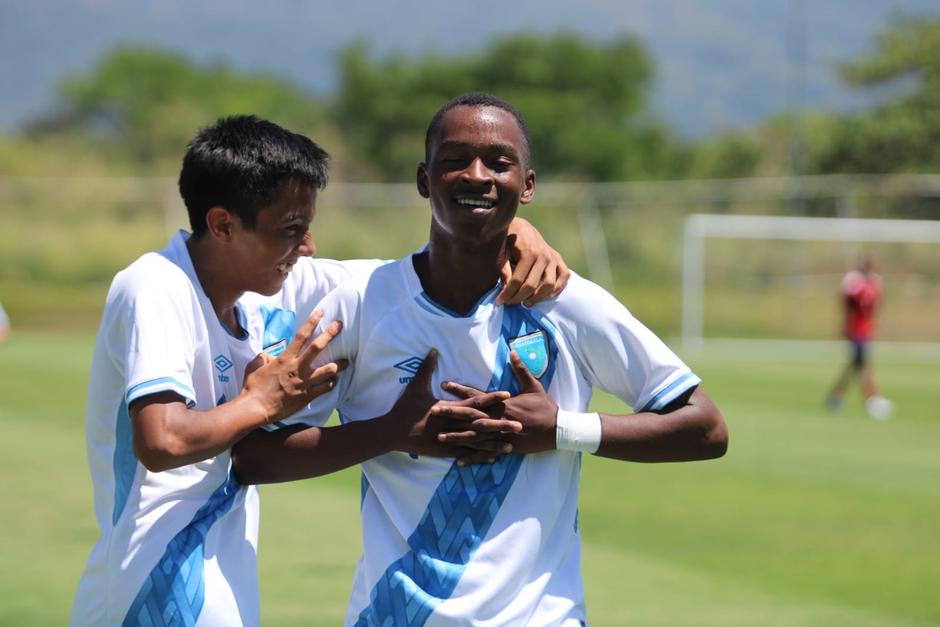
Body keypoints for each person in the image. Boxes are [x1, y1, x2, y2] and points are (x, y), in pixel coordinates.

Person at [233, 93, 728, 625]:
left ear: (528, 185)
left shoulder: (565, 303)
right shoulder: (362, 303)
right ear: (424, 180)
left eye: (498, 162)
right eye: (454, 161)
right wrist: (395, 432)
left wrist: (561, 430)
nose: (476, 175)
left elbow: (704, 428)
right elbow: (256, 456)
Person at [70, 114, 568, 626]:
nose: (307, 246)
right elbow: (162, 441)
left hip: (221, 583)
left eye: (308, 227)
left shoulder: (271, 284)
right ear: (223, 225)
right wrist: (261, 402)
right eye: (290, 229)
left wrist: (512, 229)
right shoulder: (156, 284)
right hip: (144, 590)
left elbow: (417, 273)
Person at [826, 256, 893, 420]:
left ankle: (835, 397)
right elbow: (847, 303)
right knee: (862, 364)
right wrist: (845, 325)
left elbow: (877, 304)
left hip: (865, 331)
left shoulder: (873, 284)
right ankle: (872, 400)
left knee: (856, 365)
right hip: (856, 331)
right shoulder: (854, 284)